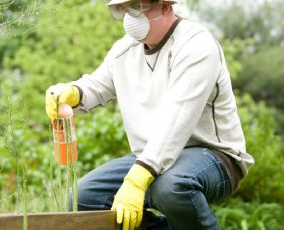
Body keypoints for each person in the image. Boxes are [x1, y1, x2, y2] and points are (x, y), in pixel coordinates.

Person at [45, 0, 255, 229]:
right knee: (82, 200)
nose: (130, 16)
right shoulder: (124, 50)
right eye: (126, 8)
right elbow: (98, 84)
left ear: (165, 6)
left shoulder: (196, 45)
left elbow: (178, 119)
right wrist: (72, 92)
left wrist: (136, 181)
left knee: (170, 186)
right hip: (151, 157)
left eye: (138, 6)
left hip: (215, 155)